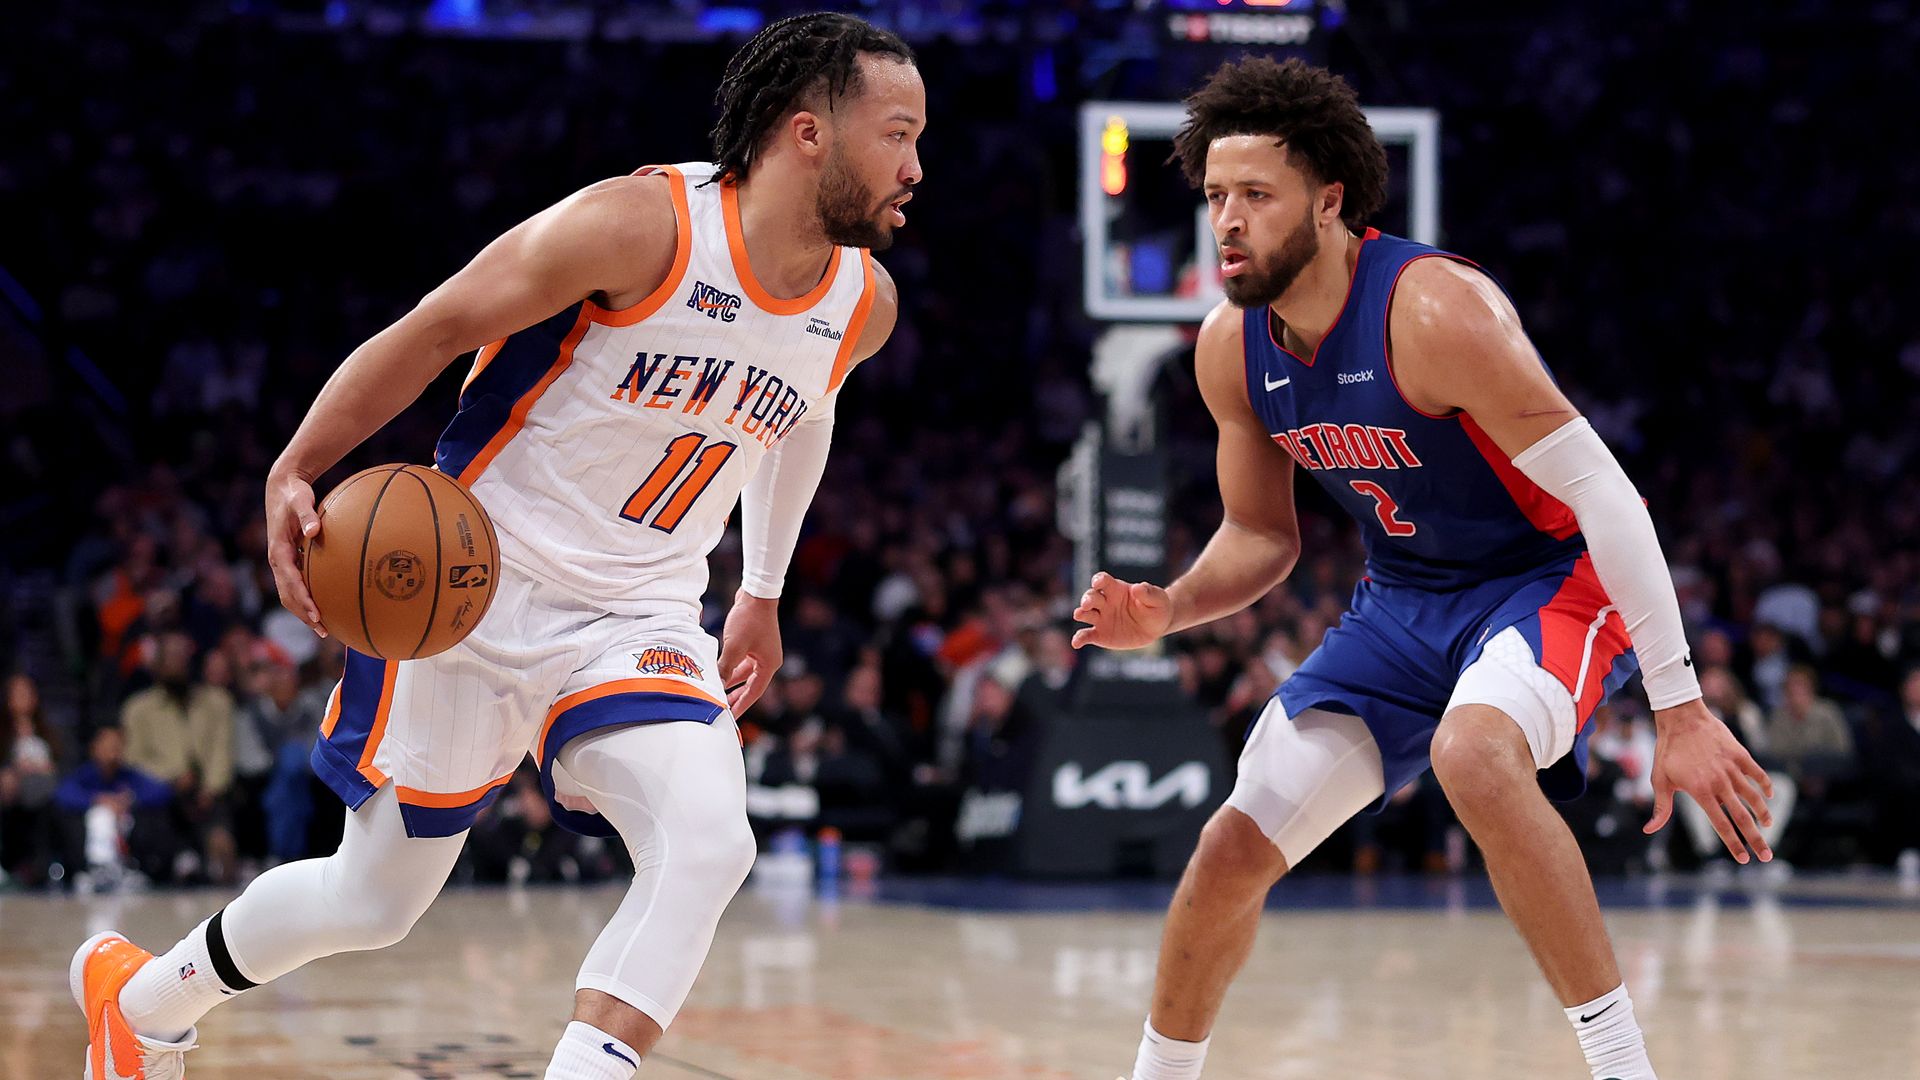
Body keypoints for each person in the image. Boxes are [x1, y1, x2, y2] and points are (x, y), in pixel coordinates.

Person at [70, 12, 921, 1079]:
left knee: (710, 842)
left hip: (642, 609)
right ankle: (142, 1002)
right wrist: (296, 465)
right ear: (808, 132)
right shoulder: (638, 229)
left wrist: (761, 587)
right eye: (897, 135)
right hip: (473, 585)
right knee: (373, 902)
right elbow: (437, 326)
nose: (915, 168)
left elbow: (806, 413)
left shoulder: (863, 305)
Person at [1070, 58, 1770, 1080]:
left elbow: (1608, 496)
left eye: (1256, 195)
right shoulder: (1231, 347)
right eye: (1216, 196)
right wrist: (1168, 608)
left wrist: (1682, 707)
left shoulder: (1434, 310)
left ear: (1330, 200)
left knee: (1473, 755)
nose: (1227, 221)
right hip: (1403, 599)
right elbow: (1262, 534)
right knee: (1230, 849)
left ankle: (1626, 1071)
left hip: (1551, 577)